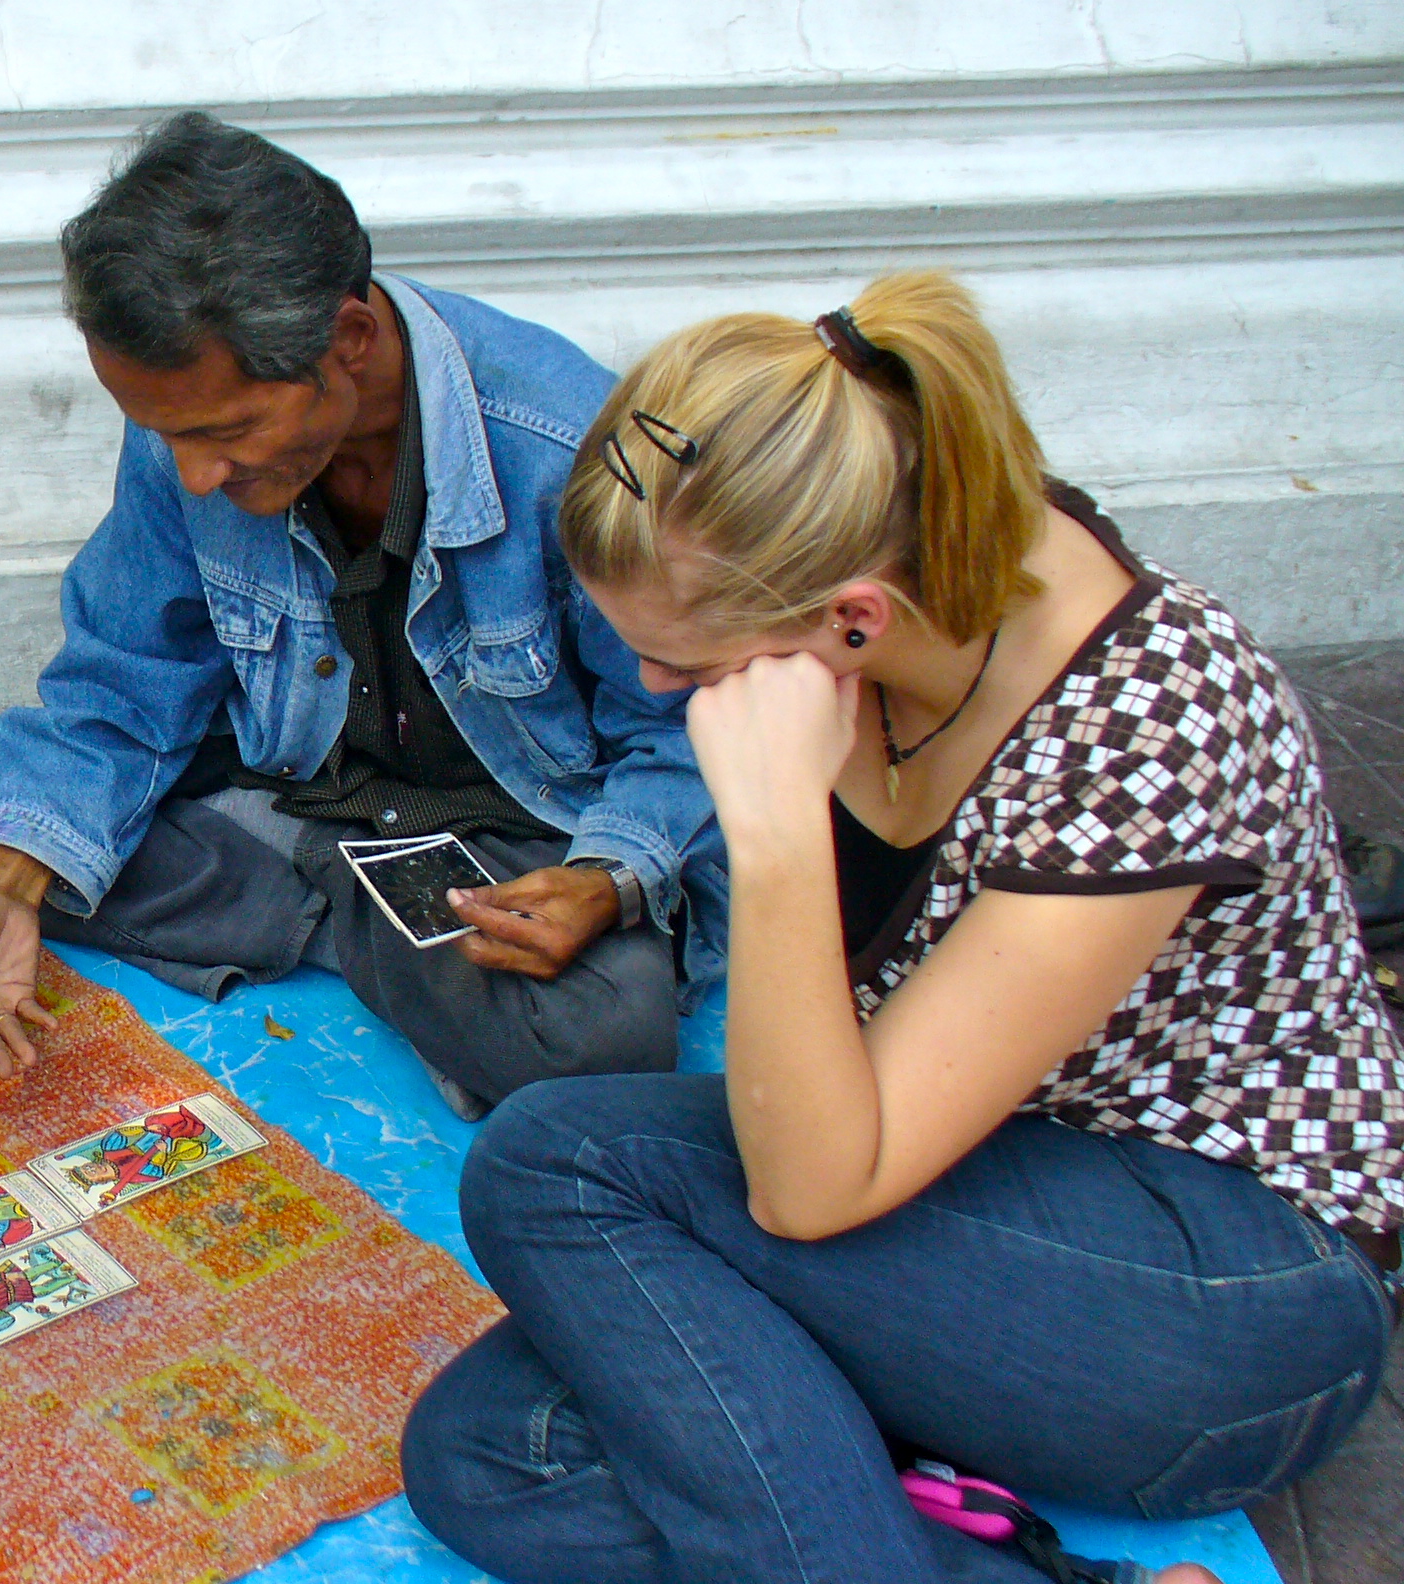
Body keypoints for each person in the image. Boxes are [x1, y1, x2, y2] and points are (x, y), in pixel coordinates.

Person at [399, 273, 1400, 1584]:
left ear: (852, 619)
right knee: (488, 1450)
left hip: (1229, 1298)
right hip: (976, 1183)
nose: (655, 689)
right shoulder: (889, 558)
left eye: (687, 666)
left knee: (554, 1165)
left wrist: (773, 841)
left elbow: (811, 1189)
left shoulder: (1148, 727)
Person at [0, 112, 725, 1117]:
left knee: (598, 1039)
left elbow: (684, 729)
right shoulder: (186, 429)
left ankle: (298, 892)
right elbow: (127, 672)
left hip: (504, 824)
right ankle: (360, 915)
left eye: (227, 432)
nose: (195, 473)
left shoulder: (568, 451)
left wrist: (606, 880)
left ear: (349, 342)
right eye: (165, 435)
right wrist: (15, 881)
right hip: (286, 763)